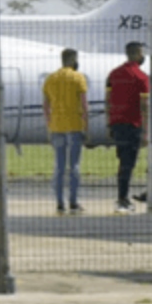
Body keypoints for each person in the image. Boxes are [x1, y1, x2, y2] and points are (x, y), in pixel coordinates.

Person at [42, 48, 88, 214]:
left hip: (56, 127)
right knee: (74, 165)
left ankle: (60, 202)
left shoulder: (51, 79)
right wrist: (86, 125)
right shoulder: (78, 77)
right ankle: (73, 202)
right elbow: (84, 104)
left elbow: (46, 106)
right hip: (74, 125)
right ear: (73, 59)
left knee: (59, 166)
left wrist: (49, 124)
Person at [106, 41, 149, 214]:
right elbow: (144, 105)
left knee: (123, 162)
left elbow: (107, 101)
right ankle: (123, 199)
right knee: (128, 164)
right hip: (133, 125)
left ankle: (122, 196)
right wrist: (146, 131)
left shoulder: (113, 74)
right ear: (138, 54)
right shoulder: (141, 76)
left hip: (117, 124)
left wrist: (109, 123)